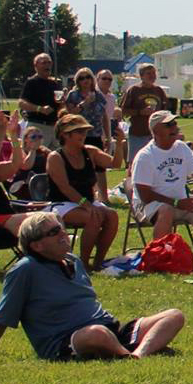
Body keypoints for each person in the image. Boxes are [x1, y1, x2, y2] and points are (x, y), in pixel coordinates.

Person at [0, 212, 187, 360]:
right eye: (53, 232)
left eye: (61, 227)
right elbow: (2, 316)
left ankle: (138, 354)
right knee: (97, 334)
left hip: (110, 330)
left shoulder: (73, 261)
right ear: (36, 246)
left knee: (174, 315)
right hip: (67, 340)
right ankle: (129, 353)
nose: (63, 234)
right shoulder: (25, 270)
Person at [130, 111, 193, 269]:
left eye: (175, 123)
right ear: (155, 131)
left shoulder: (182, 148)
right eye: (168, 125)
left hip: (180, 201)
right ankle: (160, 260)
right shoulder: (146, 156)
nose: (174, 128)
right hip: (148, 206)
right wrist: (177, 202)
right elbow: (145, 194)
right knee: (166, 210)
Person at [42, 113, 121, 269]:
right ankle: (83, 263)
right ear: (65, 134)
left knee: (112, 216)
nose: (84, 135)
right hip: (61, 203)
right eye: (79, 131)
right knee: (93, 217)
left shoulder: (90, 151)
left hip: (87, 202)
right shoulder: (55, 157)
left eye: (85, 131)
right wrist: (86, 205)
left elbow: (116, 164)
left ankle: (98, 261)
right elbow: (65, 187)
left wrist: (119, 144)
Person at [120, 61, 169, 160]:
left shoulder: (159, 91)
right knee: (136, 162)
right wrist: (140, 112)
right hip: (138, 134)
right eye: (149, 73)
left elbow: (165, 111)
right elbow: (123, 110)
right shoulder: (134, 90)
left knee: (156, 162)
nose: (152, 76)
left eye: (154, 73)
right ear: (141, 76)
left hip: (156, 135)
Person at [17, 53, 62, 147]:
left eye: (49, 63)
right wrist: (39, 109)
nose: (47, 66)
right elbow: (21, 103)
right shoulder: (31, 82)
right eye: (44, 63)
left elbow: (58, 105)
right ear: (36, 66)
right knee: (35, 157)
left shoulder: (54, 83)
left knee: (55, 158)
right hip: (37, 126)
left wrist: (62, 102)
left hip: (53, 127)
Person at [62, 67, 111, 144]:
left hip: (96, 136)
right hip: (78, 136)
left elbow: (104, 117)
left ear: (92, 79)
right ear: (78, 81)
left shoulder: (98, 95)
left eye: (88, 77)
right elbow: (70, 115)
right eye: (82, 78)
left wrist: (108, 137)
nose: (85, 80)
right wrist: (85, 102)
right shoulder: (73, 95)